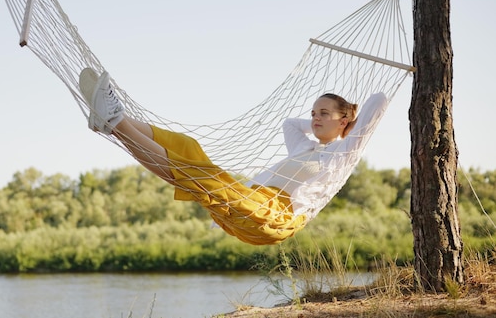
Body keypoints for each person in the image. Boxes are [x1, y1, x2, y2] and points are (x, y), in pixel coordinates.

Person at [79, 68, 388, 245]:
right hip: (251, 205)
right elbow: (290, 124)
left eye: (324, 113)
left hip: (276, 218)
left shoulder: (344, 153)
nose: (315, 118)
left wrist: (348, 122)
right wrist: (321, 124)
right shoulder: (304, 148)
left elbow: (379, 101)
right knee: (189, 149)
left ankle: (115, 120)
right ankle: (115, 123)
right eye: (313, 113)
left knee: (202, 178)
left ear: (344, 119)